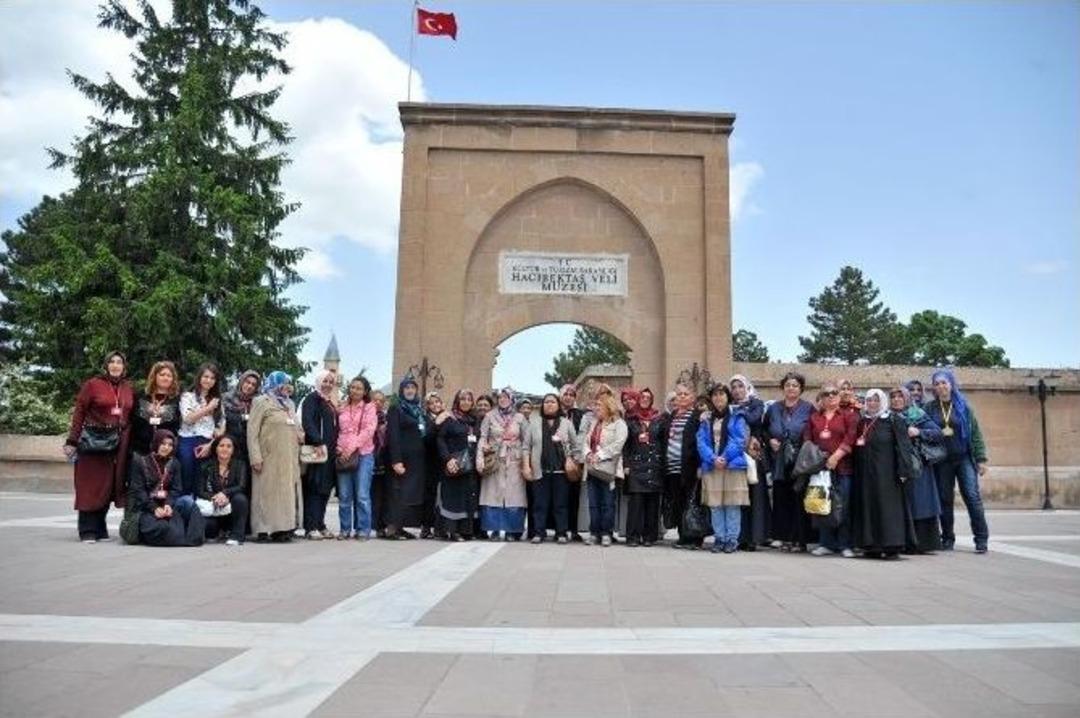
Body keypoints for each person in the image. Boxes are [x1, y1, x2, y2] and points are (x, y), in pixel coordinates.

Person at [64, 351, 135, 543]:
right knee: (90, 484)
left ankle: (100, 528)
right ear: (105, 365)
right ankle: (87, 529)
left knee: (109, 485)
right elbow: (79, 412)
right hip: (93, 442)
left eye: (119, 362)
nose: (115, 365)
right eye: (111, 362)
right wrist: (72, 440)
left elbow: (131, 415)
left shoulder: (128, 388)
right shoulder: (92, 385)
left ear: (124, 367)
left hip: (118, 444)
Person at [924, 369, 990, 553]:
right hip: (942, 460)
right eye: (937, 384)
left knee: (972, 497)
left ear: (951, 384)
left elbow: (975, 433)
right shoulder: (930, 408)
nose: (941, 386)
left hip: (963, 458)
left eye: (944, 382)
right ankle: (947, 538)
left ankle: (981, 539)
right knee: (945, 499)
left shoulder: (963, 407)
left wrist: (981, 458)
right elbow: (922, 428)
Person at [852, 389, 918, 559]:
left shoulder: (893, 420)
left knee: (888, 508)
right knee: (869, 507)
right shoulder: (863, 422)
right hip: (866, 474)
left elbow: (903, 446)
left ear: (882, 402)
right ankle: (871, 546)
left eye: (875, 400)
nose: (872, 404)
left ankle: (891, 546)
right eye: (869, 401)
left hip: (888, 474)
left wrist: (904, 470)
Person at [804, 382, 858, 558]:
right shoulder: (814, 418)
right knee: (821, 505)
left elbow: (850, 438)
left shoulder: (848, 416)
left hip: (842, 467)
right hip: (820, 469)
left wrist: (836, 457)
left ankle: (844, 544)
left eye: (834, 392)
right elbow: (807, 440)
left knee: (843, 505)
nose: (831, 396)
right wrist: (819, 459)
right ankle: (825, 543)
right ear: (821, 398)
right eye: (826, 393)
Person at [247, 371, 303, 543]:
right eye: (283, 383)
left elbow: (296, 426)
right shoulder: (261, 401)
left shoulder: (290, 404)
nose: (287, 387)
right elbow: (252, 431)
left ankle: (282, 529)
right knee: (265, 494)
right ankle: (263, 529)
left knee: (285, 494)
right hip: (267, 457)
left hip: (288, 456)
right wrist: (255, 456)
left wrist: (300, 434)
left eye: (288, 384)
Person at [697, 383, 750, 554]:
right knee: (715, 505)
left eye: (722, 394)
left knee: (732, 504)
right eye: (715, 395)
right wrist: (713, 459)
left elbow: (740, 439)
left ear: (728, 397)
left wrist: (725, 457)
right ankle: (719, 538)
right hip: (712, 466)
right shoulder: (705, 418)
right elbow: (701, 441)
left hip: (732, 465)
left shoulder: (737, 415)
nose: (718, 398)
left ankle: (731, 539)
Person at [890, 386, 944, 553]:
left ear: (906, 398)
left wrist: (918, 431)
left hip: (918, 467)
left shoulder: (917, 414)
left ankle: (923, 543)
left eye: (900, 396)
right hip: (895, 467)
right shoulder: (887, 416)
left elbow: (938, 433)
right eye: (893, 397)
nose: (897, 399)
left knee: (919, 503)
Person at [765, 372, 814, 552]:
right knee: (780, 497)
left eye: (794, 385)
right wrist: (770, 439)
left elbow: (812, 430)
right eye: (788, 385)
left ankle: (799, 539)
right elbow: (764, 430)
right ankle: (782, 536)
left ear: (801, 389)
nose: (791, 388)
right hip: (779, 460)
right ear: (783, 388)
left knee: (798, 498)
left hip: (799, 459)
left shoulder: (808, 408)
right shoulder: (774, 408)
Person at [128, 430, 204, 546]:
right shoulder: (141, 462)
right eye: (163, 444)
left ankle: (192, 539)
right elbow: (138, 491)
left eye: (170, 445)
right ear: (156, 444)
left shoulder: (174, 463)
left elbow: (176, 490)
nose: (166, 447)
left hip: (167, 505)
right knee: (162, 527)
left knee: (188, 502)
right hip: (146, 506)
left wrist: (168, 504)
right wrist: (154, 508)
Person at [476, 387, 531, 541]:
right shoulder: (489, 416)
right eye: (500, 397)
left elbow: (526, 441)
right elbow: (483, 437)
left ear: (512, 399)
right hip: (495, 459)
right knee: (493, 494)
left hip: (514, 460)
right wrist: (480, 458)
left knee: (514, 496)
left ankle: (511, 531)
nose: (503, 400)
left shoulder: (520, 418)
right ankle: (493, 529)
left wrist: (526, 462)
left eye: (506, 397)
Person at [526, 393, 577, 544]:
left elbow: (575, 447)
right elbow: (525, 447)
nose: (549, 404)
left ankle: (561, 533)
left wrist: (572, 461)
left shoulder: (566, 423)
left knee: (560, 504)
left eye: (553, 402)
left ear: (558, 405)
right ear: (542, 405)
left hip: (561, 471)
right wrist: (526, 466)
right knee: (539, 504)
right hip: (540, 470)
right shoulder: (534, 423)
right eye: (546, 402)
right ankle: (539, 532)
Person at [729, 374, 770, 550]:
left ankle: (755, 537)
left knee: (756, 497)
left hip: (753, 455)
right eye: (734, 387)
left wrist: (738, 411)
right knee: (738, 496)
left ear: (747, 387)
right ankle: (739, 536)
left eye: (740, 386)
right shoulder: (729, 407)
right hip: (735, 456)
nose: (737, 390)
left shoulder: (756, 403)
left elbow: (754, 419)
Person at [659, 382, 703, 549]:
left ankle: (694, 537)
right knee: (677, 502)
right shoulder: (671, 417)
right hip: (672, 467)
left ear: (692, 397)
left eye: (685, 394)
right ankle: (683, 535)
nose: (682, 397)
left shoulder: (698, 416)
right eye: (679, 394)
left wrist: (700, 465)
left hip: (690, 467)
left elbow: (701, 442)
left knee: (691, 503)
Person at [435, 389, 481, 541]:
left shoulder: (474, 420)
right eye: (463, 399)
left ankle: (467, 530)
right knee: (453, 498)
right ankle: (452, 531)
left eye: (469, 399)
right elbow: (440, 440)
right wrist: (448, 459)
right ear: (457, 401)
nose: (466, 402)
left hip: (470, 466)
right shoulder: (450, 418)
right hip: (454, 464)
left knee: (468, 498)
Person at [384, 376, 428, 539]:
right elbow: (393, 435)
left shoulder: (418, 410)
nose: (410, 390)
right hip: (402, 459)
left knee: (409, 494)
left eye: (412, 388)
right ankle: (392, 528)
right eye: (406, 388)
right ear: (402, 391)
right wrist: (396, 460)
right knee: (398, 493)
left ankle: (401, 527)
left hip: (416, 461)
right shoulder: (396, 409)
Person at [337, 375, 378, 540]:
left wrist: (351, 447)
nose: (354, 390)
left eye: (359, 388)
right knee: (345, 495)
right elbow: (339, 431)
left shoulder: (369, 408)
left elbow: (368, 431)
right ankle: (345, 529)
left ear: (365, 391)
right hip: (343, 454)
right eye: (352, 387)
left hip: (364, 455)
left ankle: (363, 529)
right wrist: (340, 448)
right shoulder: (343, 407)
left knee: (362, 495)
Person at [583, 393, 627, 546]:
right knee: (593, 503)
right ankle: (594, 533)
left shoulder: (619, 424)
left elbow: (618, 444)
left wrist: (600, 455)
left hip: (608, 470)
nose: (596, 408)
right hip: (592, 469)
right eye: (595, 406)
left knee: (608, 503)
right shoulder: (594, 423)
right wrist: (588, 453)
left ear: (609, 407)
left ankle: (606, 533)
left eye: (599, 406)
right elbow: (585, 442)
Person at [622, 388, 663, 546]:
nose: (645, 399)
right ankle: (632, 536)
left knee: (652, 503)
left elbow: (663, 441)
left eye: (648, 397)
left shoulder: (658, 418)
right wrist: (626, 464)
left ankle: (649, 537)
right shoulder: (631, 420)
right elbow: (626, 445)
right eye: (642, 397)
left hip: (654, 464)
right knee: (636, 503)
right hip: (636, 465)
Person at [300, 370, 339, 540]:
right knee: (314, 488)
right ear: (318, 381)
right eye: (325, 381)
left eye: (331, 382)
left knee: (325, 489)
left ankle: (320, 524)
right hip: (317, 451)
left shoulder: (329, 402)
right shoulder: (312, 398)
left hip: (329, 453)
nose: (328, 384)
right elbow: (307, 421)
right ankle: (311, 527)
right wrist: (317, 441)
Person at [178, 363, 225, 496]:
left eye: (212, 378)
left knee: (202, 480)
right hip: (187, 440)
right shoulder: (187, 396)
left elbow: (222, 426)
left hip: (207, 442)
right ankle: (184, 508)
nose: (208, 380)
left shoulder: (217, 400)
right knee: (186, 476)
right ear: (199, 377)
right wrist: (208, 408)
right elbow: (188, 419)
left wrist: (210, 445)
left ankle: (199, 512)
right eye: (206, 376)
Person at [198, 435, 249, 545]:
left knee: (240, 499)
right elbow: (200, 491)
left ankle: (237, 536)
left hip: (232, 509)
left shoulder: (240, 464)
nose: (225, 449)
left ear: (233, 449)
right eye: (221, 446)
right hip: (214, 507)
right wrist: (215, 498)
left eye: (229, 446)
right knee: (209, 528)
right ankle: (219, 533)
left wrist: (225, 494)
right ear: (215, 448)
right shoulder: (206, 466)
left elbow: (241, 486)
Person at [130, 361, 182, 458]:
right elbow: (132, 420)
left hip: (166, 450)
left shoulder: (177, 399)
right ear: (155, 376)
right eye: (162, 375)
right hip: (140, 449)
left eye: (169, 376)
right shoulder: (141, 395)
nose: (165, 378)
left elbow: (179, 424)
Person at [559, 384, 586, 542]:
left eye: (571, 394)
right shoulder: (554, 413)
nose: (568, 397)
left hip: (575, 460)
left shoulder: (580, 414)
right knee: (559, 497)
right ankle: (560, 529)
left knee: (574, 495)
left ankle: (573, 529)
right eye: (566, 394)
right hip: (557, 459)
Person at [421, 392, 449, 539]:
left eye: (438, 402)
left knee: (443, 495)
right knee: (430, 495)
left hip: (444, 461)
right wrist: (436, 423)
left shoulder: (447, 418)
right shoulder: (425, 419)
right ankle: (426, 527)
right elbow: (427, 439)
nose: (435, 405)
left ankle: (440, 527)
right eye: (431, 403)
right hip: (429, 462)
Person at [222, 370, 261, 467]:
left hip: (249, 448)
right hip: (229, 446)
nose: (250, 386)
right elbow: (223, 419)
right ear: (241, 382)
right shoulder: (227, 398)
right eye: (247, 382)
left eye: (253, 385)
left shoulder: (258, 403)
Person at [370, 390, 390, 537]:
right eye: (375, 400)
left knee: (381, 495)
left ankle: (380, 526)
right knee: (368, 495)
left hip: (383, 459)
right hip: (368, 457)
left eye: (381, 401)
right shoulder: (365, 417)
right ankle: (367, 525)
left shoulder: (386, 419)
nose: (378, 403)